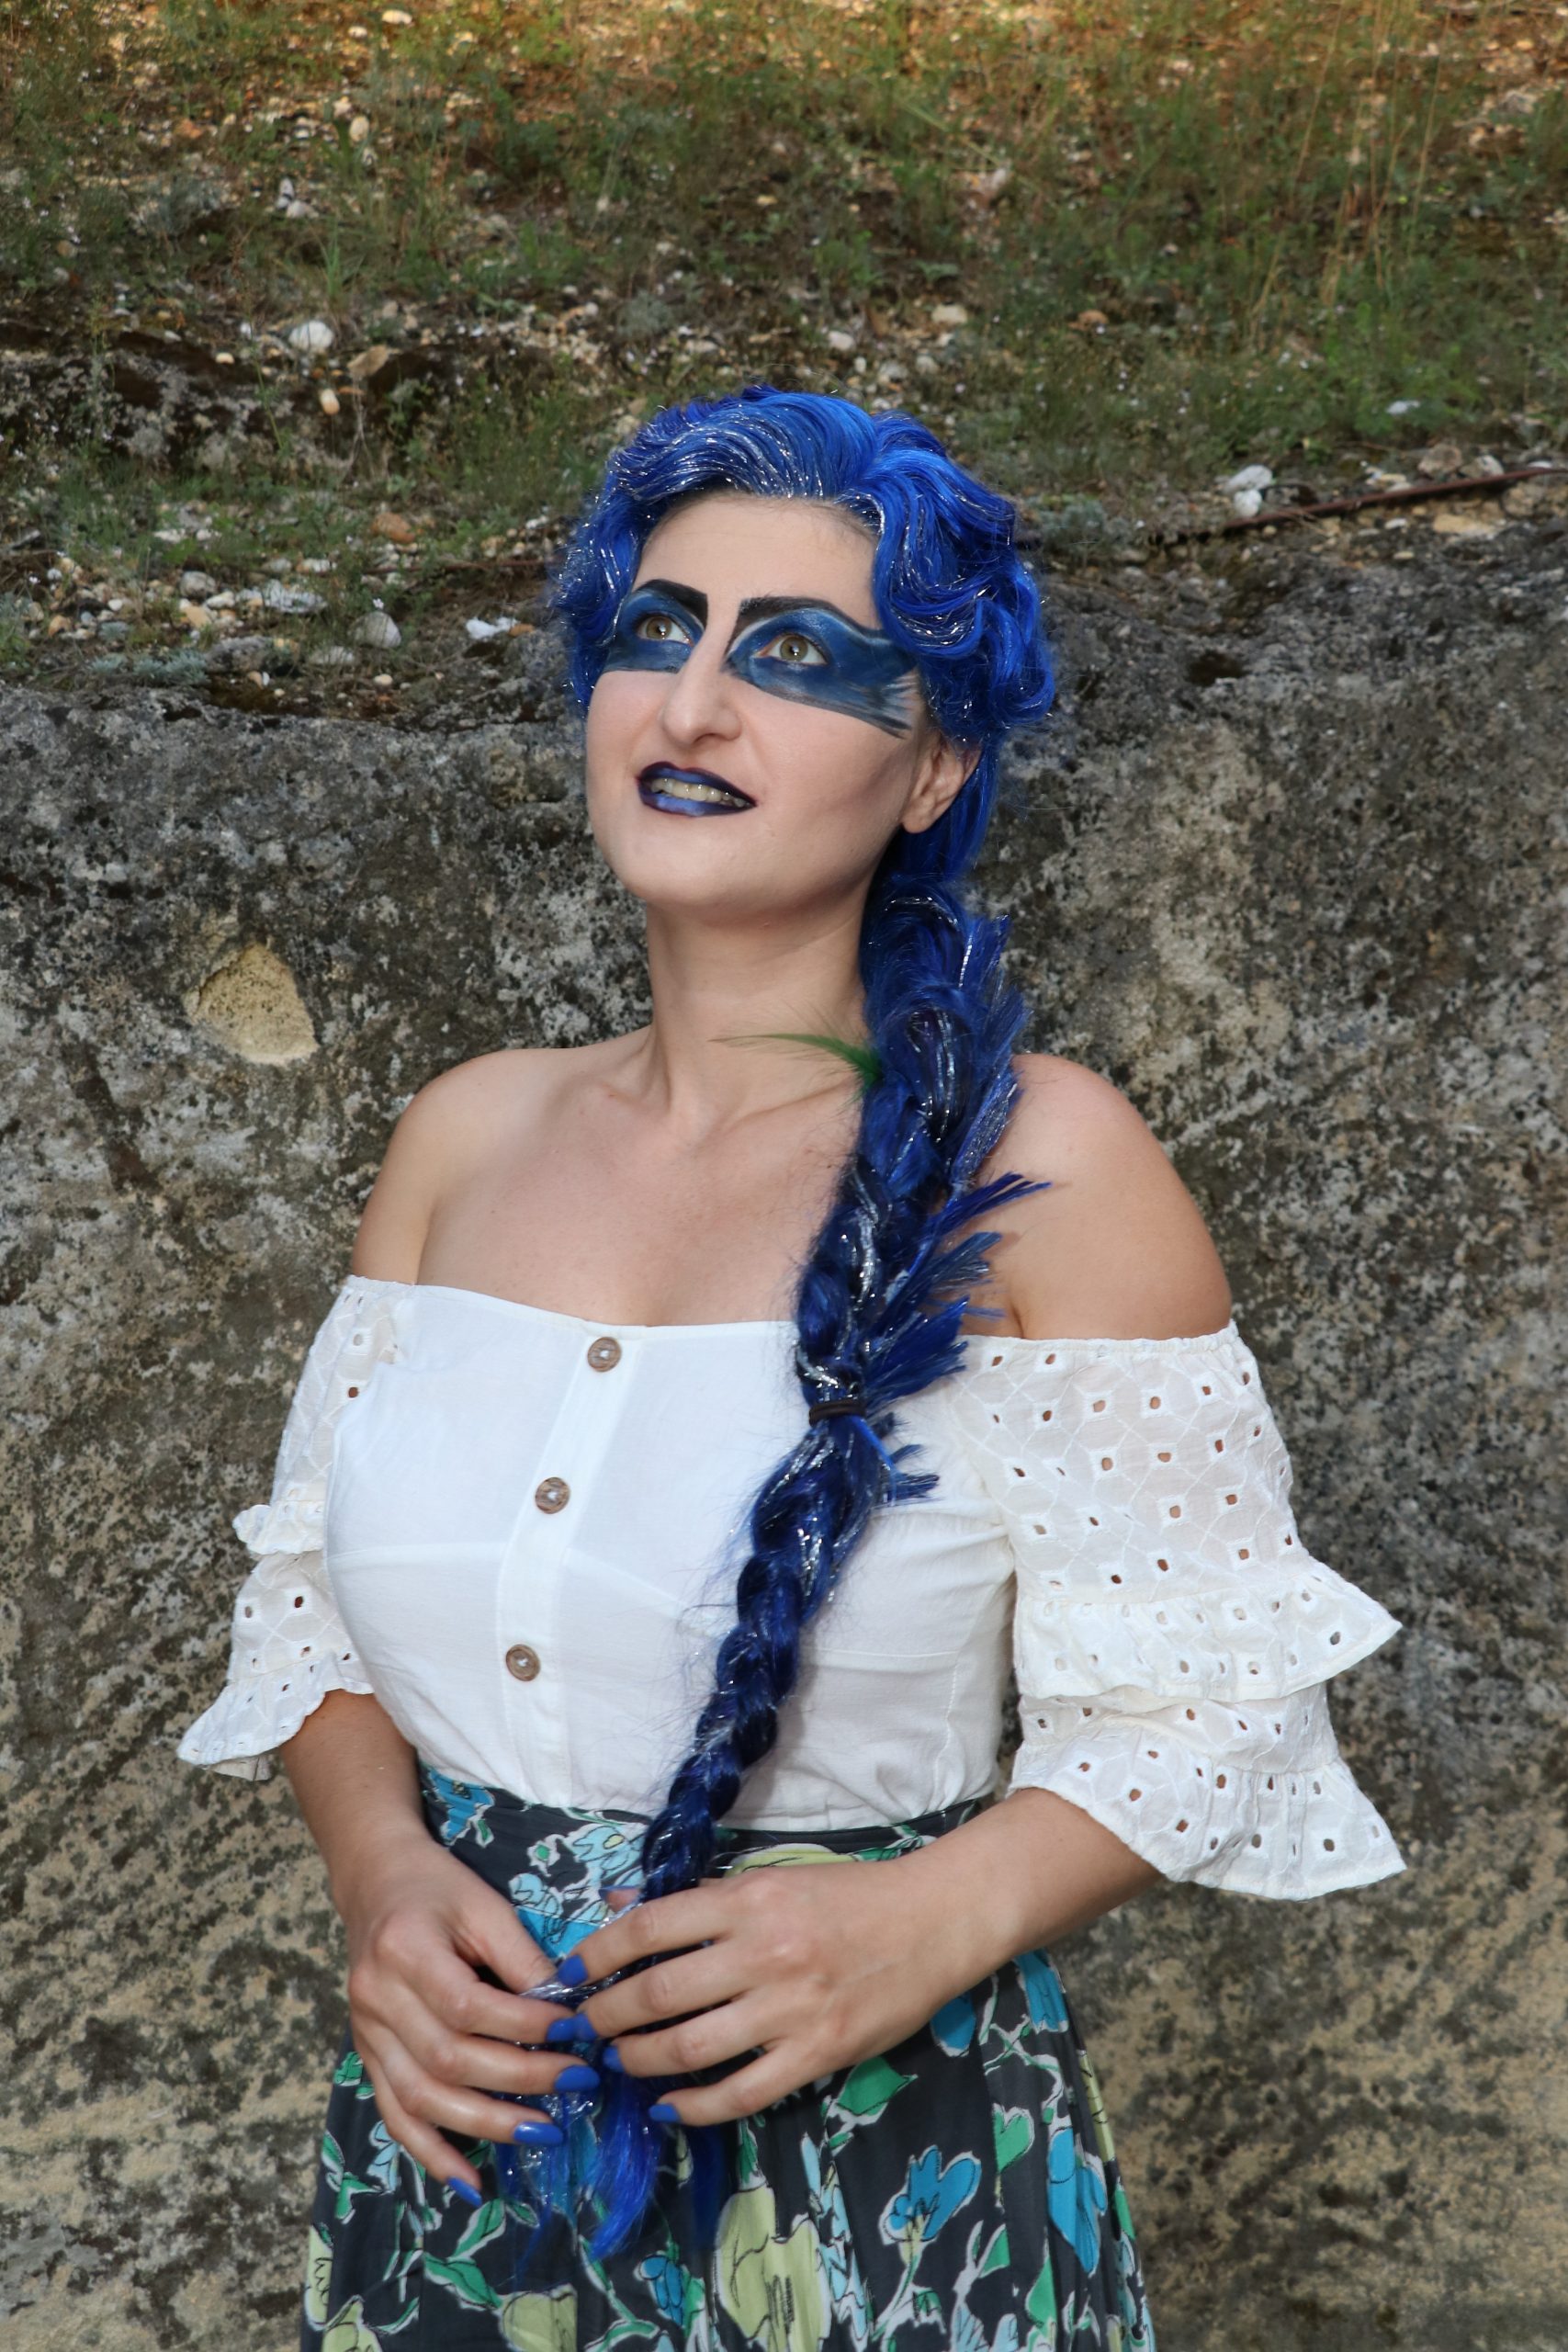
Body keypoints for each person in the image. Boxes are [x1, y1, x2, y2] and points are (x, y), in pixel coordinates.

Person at [179, 387, 1405, 2352]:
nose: (691, 705)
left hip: (891, 2189)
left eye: (800, 656)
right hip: (458, 2180)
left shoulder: (1049, 1166)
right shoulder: (463, 1138)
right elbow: (313, 1586)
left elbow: (1211, 1694)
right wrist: (383, 1876)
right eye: (654, 632)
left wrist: (918, 1924)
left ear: (934, 764)